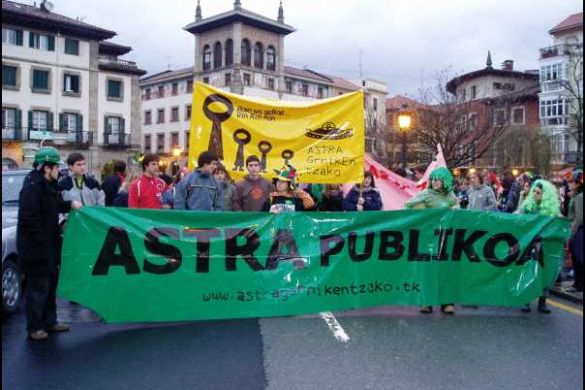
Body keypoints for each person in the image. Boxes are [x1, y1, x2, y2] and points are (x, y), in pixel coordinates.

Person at [17, 147, 82, 340]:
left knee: (50, 285)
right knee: (38, 288)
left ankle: (50, 321)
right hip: (35, 248)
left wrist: (69, 204)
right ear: (47, 168)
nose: (59, 171)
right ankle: (34, 327)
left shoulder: (49, 185)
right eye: (56, 168)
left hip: (49, 245)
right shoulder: (32, 188)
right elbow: (29, 220)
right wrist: (43, 245)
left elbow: (54, 206)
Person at [405, 167, 458, 314]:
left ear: (445, 181)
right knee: (427, 270)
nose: (434, 182)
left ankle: (446, 302)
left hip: (447, 238)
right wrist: (421, 211)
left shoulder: (452, 197)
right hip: (428, 239)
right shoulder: (425, 194)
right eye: (433, 179)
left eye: (437, 179)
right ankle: (426, 301)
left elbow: (459, 216)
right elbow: (407, 206)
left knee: (446, 270)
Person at [517, 179, 562, 314]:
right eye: (534, 192)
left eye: (539, 192)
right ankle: (526, 301)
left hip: (545, 247)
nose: (535, 194)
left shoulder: (552, 211)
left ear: (545, 195)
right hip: (530, 246)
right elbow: (517, 218)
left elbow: (560, 223)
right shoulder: (527, 207)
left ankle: (542, 302)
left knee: (544, 274)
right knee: (527, 272)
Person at [567, 169, 583, 293]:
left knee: (578, 258)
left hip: (578, 231)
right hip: (578, 230)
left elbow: (578, 217)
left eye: (572, 181)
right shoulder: (576, 196)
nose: (569, 183)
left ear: (578, 183)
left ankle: (578, 284)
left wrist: (571, 233)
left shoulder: (580, 197)